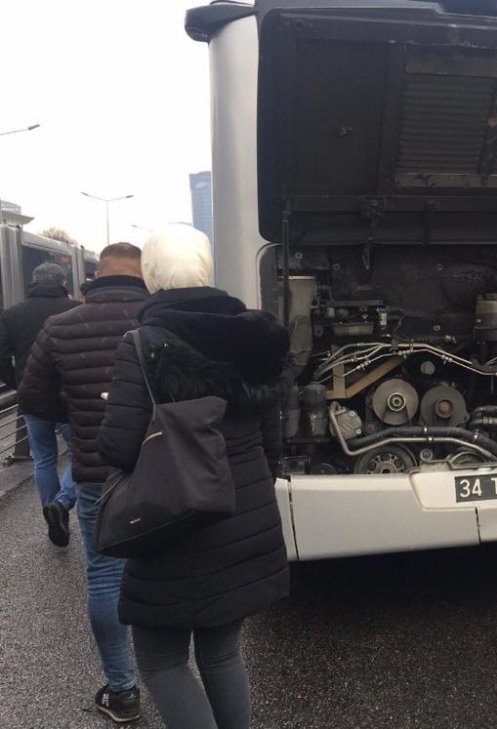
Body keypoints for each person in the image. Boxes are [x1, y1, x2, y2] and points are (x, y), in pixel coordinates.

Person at [97, 224, 290, 729]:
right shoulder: (256, 337)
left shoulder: (143, 343)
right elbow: (272, 445)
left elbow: (118, 448)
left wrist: (115, 408)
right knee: (222, 654)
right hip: (244, 519)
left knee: (161, 660)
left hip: (175, 527)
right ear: (207, 269)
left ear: (151, 277)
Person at [18, 243, 147, 722]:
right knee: (166, 567)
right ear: (145, 276)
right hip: (164, 469)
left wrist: (82, 412)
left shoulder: (61, 325)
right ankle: (172, 674)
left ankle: (123, 690)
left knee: (105, 575)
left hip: (96, 471)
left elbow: (34, 400)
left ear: (95, 277)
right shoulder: (163, 319)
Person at [0, 262, 79, 545]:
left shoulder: (12, 313)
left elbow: (1, 357)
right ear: (62, 282)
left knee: (44, 459)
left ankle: (52, 513)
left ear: (33, 281)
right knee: (79, 454)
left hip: (32, 399)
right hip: (70, 397)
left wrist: (18, 384)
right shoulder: (75, 309)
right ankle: (62, 503)